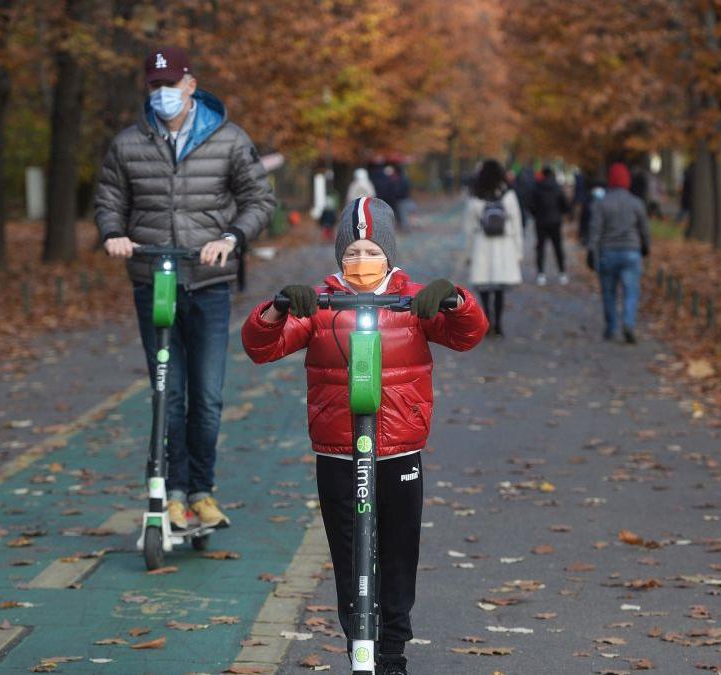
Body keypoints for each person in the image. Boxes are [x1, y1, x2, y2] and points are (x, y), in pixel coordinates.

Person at [241, 197, 487, 675]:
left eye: (371, 250)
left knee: (398, 548)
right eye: (351, 252)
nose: (360, 261)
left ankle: (392, 647)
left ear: (389, 254)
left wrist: (455, 299)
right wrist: (276, 308)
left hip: (399, 448)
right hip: (339, 448)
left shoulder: (413, 300)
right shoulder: (321, 303)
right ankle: (360, 643)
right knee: (349, 550)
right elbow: (262, 347)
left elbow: (467, 334)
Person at [95, 46, 276, 531]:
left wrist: (231, 238)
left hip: (209, 282)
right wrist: (113, 234)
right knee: (166, 392)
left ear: (190, 85)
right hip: (153, 282)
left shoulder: (229, 139)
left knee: (208, 394)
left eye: (170, 85)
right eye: (154, 86)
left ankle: (202, 490)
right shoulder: (128, 144)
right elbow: (110, 198)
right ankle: (171, 492)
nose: (162, 94)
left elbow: (259, 199)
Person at [587, 163, 650, 344]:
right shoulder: (636, 203)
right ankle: (628, 322)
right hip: (631, 251)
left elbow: (595, 230)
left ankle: (612, 327)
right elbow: (644, 229)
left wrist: (592, 250)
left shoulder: (602, 203)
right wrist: (645, 246)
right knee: (631, 291)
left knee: (609, 292)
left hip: (608, 252)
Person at [465, 160, 524, 337]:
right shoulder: (508, 195)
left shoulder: (476, 196)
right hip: (504, 245)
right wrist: (518, 251)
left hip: (482, 243)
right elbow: (516, 224)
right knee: (499, 289)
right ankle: (498, 323)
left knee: (484, 287)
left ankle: (487, 320)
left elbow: (469, 227)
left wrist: (468, 254)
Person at [530, 167, 571, 285]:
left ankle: (541, 274)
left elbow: (531, 204)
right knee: (558, 247)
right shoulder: (557, 188)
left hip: (541, 221)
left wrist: (536, 214)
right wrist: (560, 213)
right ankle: (562, 273)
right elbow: (564, 205)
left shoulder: (537, 187)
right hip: (555, 221)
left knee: (540, 247)